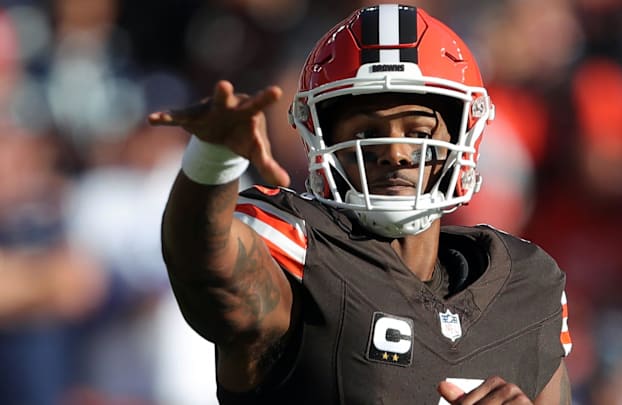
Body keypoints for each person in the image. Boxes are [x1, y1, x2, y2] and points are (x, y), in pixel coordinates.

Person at [149, 4, 572, 404]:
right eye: (367, 134)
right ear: (323, 143)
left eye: (420, 133)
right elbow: (205, 271)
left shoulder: (526, 285)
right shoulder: (302, 252)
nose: (397, 153)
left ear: (462, 137)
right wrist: (212, 160)